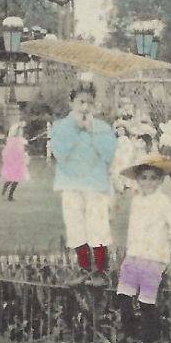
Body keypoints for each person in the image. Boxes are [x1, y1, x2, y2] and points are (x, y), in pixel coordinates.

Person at [112, 153, 171, 343]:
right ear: (137, 180)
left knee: (147, 305)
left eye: (152, 178)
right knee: (124, 300)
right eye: (143, 178)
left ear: (160, 180)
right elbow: (134, 231)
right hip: (134, 257)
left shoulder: (164, 203)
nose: (147, 182)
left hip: (153, 259)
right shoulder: (136, 201)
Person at [49, 82, 118, 278]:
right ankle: (84, 267)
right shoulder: (61, 127)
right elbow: (60, 153)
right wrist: (75, 129)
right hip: (70, 184)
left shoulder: (102, 128)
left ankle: (101, 270)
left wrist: (92, 131)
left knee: (98, 224)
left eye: (90, 102)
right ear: (71, 103)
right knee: (75, 224)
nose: (85, 107)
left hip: (95, 185)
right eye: (81, 102)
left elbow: (109, 155)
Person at [0, 121, 29, 201]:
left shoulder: (20, 140)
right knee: (12, 178)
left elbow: (23, 149)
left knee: (16, 179)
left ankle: (10, 195)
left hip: (18, 162)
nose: (21, 132)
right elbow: (8, 152)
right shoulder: (12, 140)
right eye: (20, 131)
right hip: (13, 162)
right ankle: (6, 189)